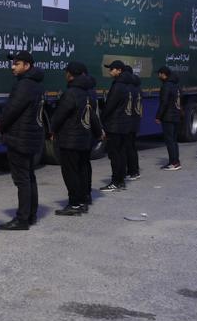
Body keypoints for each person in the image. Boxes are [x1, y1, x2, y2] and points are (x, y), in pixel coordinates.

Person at [0, 52, 44, 230]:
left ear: (27, 66)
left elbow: (12, 110)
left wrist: (0, 124)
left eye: (17, 64)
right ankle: (31, 215)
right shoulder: (35, 84)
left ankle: (22, 219)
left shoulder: (24, 85)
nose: (13, 67)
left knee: (22, 179)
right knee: (29, 176)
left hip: (20, 138)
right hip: (29, 137)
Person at [52, 62, 101, 216]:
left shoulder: (71, 93)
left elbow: (59, 116)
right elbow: (92, 116)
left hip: (70, 140)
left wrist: (52, 129)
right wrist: (98, 132)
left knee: (71, 172)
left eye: (66, 72)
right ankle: (84, 199)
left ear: (70, 74)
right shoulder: (88, 93)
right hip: (85, 138)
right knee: (83, 169)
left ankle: (74, 204)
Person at [99, 60, 134, 192]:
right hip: (124, 124)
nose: (110, 71)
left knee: (114, 155)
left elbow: (110, 106)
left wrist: (102, 120)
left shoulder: (118, 85)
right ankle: (121, 181)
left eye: (112, 69)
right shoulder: (127, 85)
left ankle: (115, 181)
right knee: (121, 153)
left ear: (119, 70)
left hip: (115, 125)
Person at [155, 66, 182, 170]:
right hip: (176, 116)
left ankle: (173, 163)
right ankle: (176, 161)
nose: (158, 76)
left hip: (168, 117)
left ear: (163, 74)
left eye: (159, 74)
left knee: (169, 140)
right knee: (174, 140)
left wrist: (158, 116)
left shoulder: (166, 86)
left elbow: (164, 102)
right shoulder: (177, 86)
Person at [124, 65, 143, 180]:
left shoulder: (127, 88)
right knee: (132, 146)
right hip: (136, 120)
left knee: (128, 147)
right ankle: (134, 170)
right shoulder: (138, 88)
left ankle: (132, 172)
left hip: (128, 121)